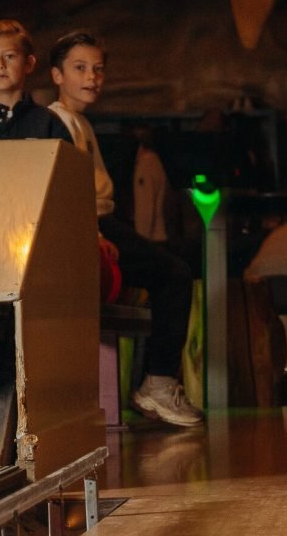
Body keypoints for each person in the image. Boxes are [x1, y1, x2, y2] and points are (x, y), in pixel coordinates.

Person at [48, 30, 202, 427]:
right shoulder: (56, 122)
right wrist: (95, 236)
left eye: (97, 69)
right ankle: (158, 382)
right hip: (90, 227)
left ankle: (156, 379)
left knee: (175, 266)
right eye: (79, 68)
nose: (91, 77)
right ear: (56, 75)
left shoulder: (79, 121)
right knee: (174, 273)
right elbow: (64, 193)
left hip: (103, 222)